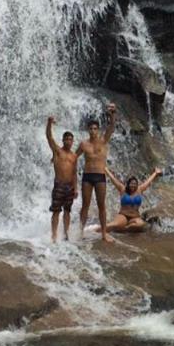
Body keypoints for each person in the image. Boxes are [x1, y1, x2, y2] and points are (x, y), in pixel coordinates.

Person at [79, 102, 119, 242]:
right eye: (90, 128)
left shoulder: (103, 141)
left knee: (102, 205)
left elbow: (112, 127)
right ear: (88, 130)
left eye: (95, 128)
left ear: (98, 130)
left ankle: (103, 233)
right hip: (87, 176)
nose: (93, 131)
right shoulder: (83, 144)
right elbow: (73, 157)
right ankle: (80, 232)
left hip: (100, 176)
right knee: (85, 205)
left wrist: (113, 114)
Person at [45, 116, 79, 242]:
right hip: (59, 185)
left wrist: (75, 188)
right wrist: (49, 123)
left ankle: (66, 234)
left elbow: (75, 173)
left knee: (67, 211)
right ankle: (54, 235)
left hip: (70, 186)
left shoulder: (74, 156)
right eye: (67, 139)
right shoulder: (58, 151)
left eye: (71, 140)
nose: (69, 142)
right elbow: (49, 137)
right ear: (63, 140)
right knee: (56, 211)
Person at [101, 167, 163, 233]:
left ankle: (123, 229)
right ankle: (95, 230)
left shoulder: (139, 189)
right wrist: (105, 169)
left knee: (140, 225)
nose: (133, 185)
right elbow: (113, 179)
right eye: (131, 184)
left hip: (135, 217)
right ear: (128, 184)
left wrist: (155, 173)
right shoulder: (122, 189)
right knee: (115, 224)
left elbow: (148, 181)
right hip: (123, 215)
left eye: (134, 184)